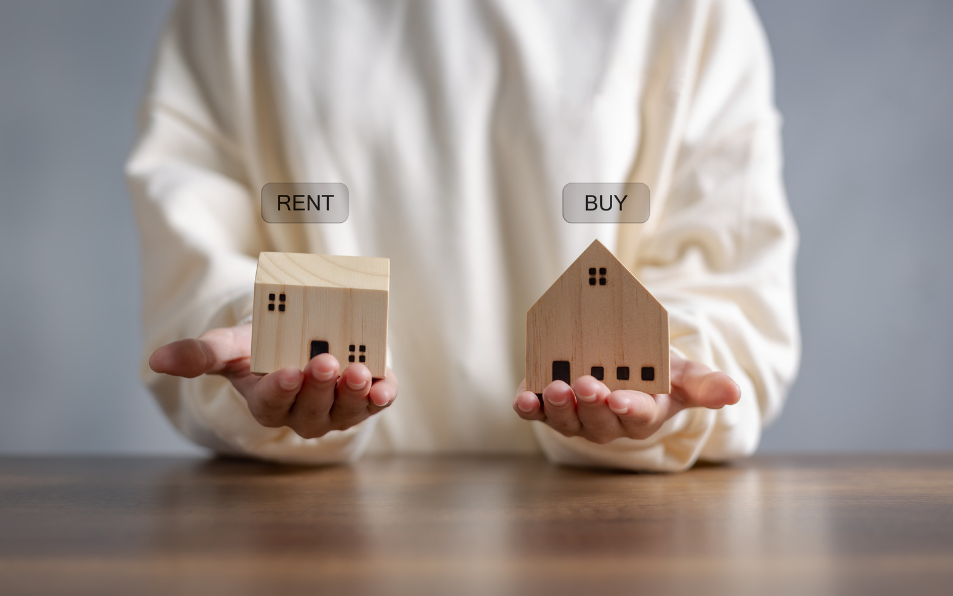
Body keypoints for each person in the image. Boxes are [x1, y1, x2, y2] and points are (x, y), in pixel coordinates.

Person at [129, 0, 799, 471]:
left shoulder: (691, 14)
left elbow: (729, 279)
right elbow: (196, 250)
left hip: (594, 540)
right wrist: (252, 327)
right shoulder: (232, 12)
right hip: (316, 537)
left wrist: (671, 361)